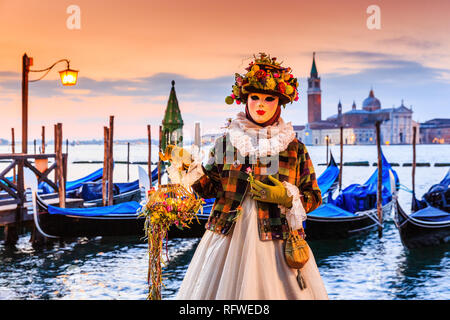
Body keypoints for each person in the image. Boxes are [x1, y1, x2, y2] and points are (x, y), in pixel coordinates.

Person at [166, 53, 328, 300]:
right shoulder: (225, 143)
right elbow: (209, 190)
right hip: (227, 239)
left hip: (279, 241)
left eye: (268, 98)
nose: (260, 104)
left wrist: (287, 198)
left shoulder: (294, 148)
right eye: (254, 97)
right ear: (245, 100)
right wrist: (189, 168)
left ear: (279, 103)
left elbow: (314, 196)